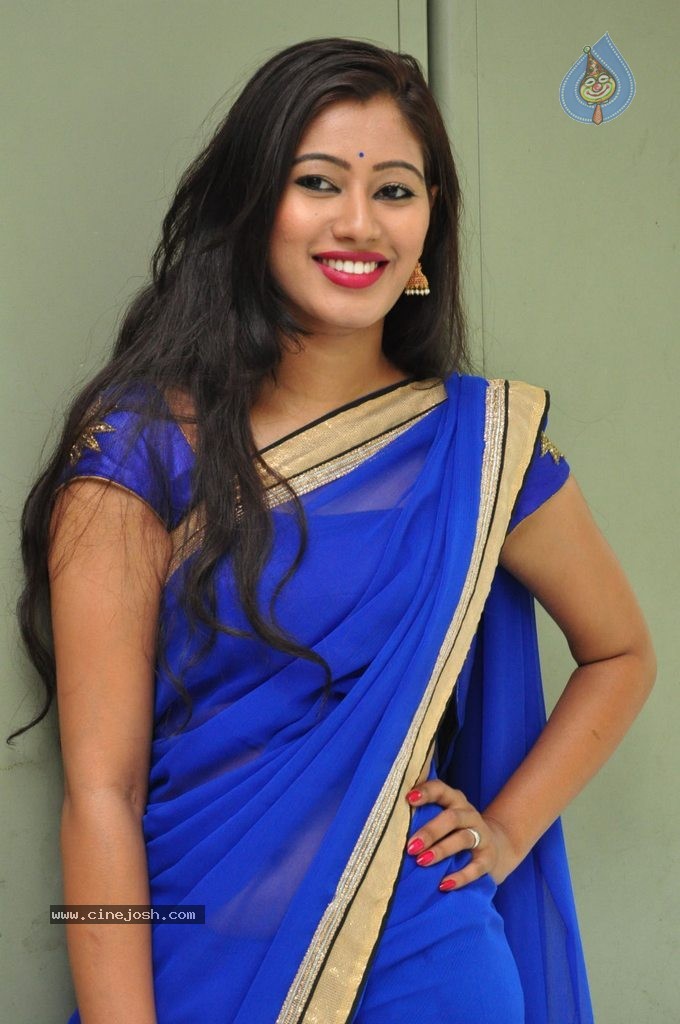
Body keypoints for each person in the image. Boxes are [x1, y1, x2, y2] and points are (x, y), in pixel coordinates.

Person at [12, 37, 655, 1024]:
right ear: (252, 204)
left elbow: (621, 653)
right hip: (192, 960)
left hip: (425, 966)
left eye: (394, 190)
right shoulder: (143, 449)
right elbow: (102, 792)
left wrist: (504, 833)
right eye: (318, 182)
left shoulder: (482, 448)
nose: (358, 221)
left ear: (429, 223)